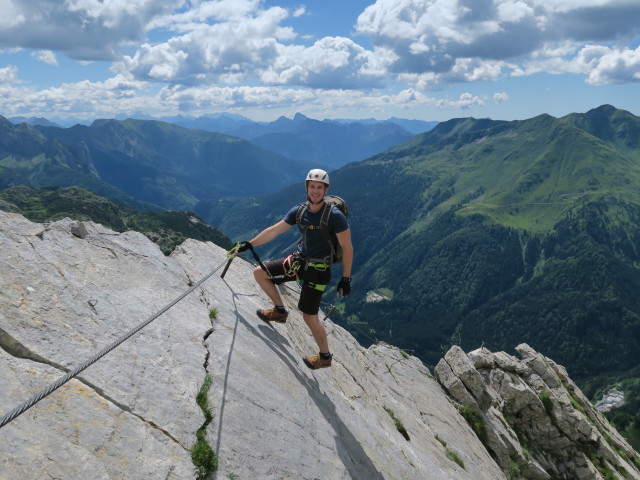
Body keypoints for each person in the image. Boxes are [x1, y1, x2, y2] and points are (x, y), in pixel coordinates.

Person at [237, 168, 353, 369]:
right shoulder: (300, 211)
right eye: (312, 186)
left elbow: (347, 247)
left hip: (318, 271)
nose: (315, 191)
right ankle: (279, 310)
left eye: (319, 187)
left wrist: (346, 278)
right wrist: (251, 244)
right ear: (307, 187)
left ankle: (325, 356)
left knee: (309, 316)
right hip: (300, 262)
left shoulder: (334, 216)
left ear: (326, 190)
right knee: (260, 273)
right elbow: (275, 230)